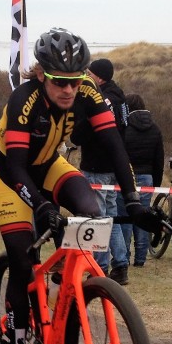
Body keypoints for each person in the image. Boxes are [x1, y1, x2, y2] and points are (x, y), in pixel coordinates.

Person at [0, 28, 161, 344]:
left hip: (49, 164)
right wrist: (42, 206)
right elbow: (16, 166)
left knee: (91, 209)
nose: (68, 90)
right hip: (11, 173)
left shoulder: (87, 91)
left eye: (74, 80)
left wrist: (134, 202)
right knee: (21, 262)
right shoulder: (24, 99)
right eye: (59, 82)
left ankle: (64, 278)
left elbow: (115, 147)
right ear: (41, 75)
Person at [74, 57, 130, 284]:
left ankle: (102, 264)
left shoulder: (100, 99)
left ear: (98, 76)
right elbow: (124, 127)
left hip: (96, 164)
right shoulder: (121, 98)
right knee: (111, 216)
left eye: (89, 73)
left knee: (98, 217)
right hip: (113, 164)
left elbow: (86, 131)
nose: (86, 76)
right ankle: (120, 263)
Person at [122, 94, 165, 268]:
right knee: (144, 217)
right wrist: (156, 181)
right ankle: (141, 257)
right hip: (147, 177)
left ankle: (123, 257)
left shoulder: (124, 128)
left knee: (125, 217)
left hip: (127, 177)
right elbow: (159, 158)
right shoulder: (155, 129)